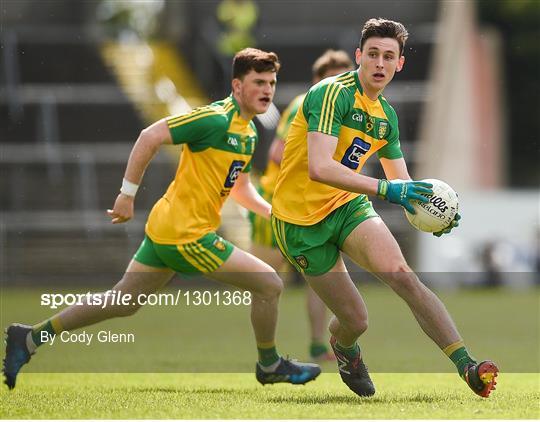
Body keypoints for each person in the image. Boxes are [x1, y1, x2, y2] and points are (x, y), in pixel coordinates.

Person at [3, 48, 320, 390]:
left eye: (272, 82)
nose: (267, 89)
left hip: (169, 228)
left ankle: (30, 337)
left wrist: (274, 212)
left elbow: (239, 188)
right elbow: (149, 136)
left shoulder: (249, 133)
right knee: (269, 283)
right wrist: (127, 194)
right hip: (185, 235)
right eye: (258, 82)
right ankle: (269, 364)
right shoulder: (214, 119)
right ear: (237, 86)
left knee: (122, 302)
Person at [271, 18, 498, 398]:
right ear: (358, 57)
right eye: (372, 54)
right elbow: (320, 167)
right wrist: (386, 189)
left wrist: (430, 212)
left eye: (388, 56)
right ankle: (344, 348)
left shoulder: (386, 118)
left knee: (404, 276)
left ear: (399, 64)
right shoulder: (332, 93)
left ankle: (469, 367)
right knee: (356, 321)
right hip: (298, 222)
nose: (379, 63)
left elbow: (402, 184)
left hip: (347, 207)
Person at [250, 49, 354, 361]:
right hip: (276, 204)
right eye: (331, 78)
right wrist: (322, 166)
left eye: (343, 77)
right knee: (268, 281)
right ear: (316, 81)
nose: (338, 84)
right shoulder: (302, 104)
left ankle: (319, 346)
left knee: (322, 280)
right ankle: (267, 354)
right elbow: (278, 154)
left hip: (316, 206)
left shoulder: (347, 112)